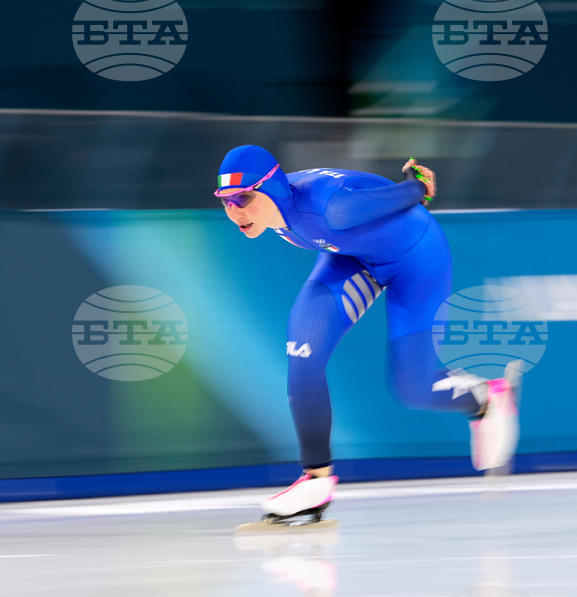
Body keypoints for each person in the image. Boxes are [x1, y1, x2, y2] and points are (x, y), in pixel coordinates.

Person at [215, 145, 521, 524]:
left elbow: (411, 194)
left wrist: (415, 180)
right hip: (351, 256)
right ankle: (316, 481)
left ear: (272, 188)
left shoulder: (331, 208)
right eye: (226, 201)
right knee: (303, 351)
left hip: (416, 259)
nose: (235, 211)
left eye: (243, 198)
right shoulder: (272, 211)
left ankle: (487, 398)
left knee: (413, 389)